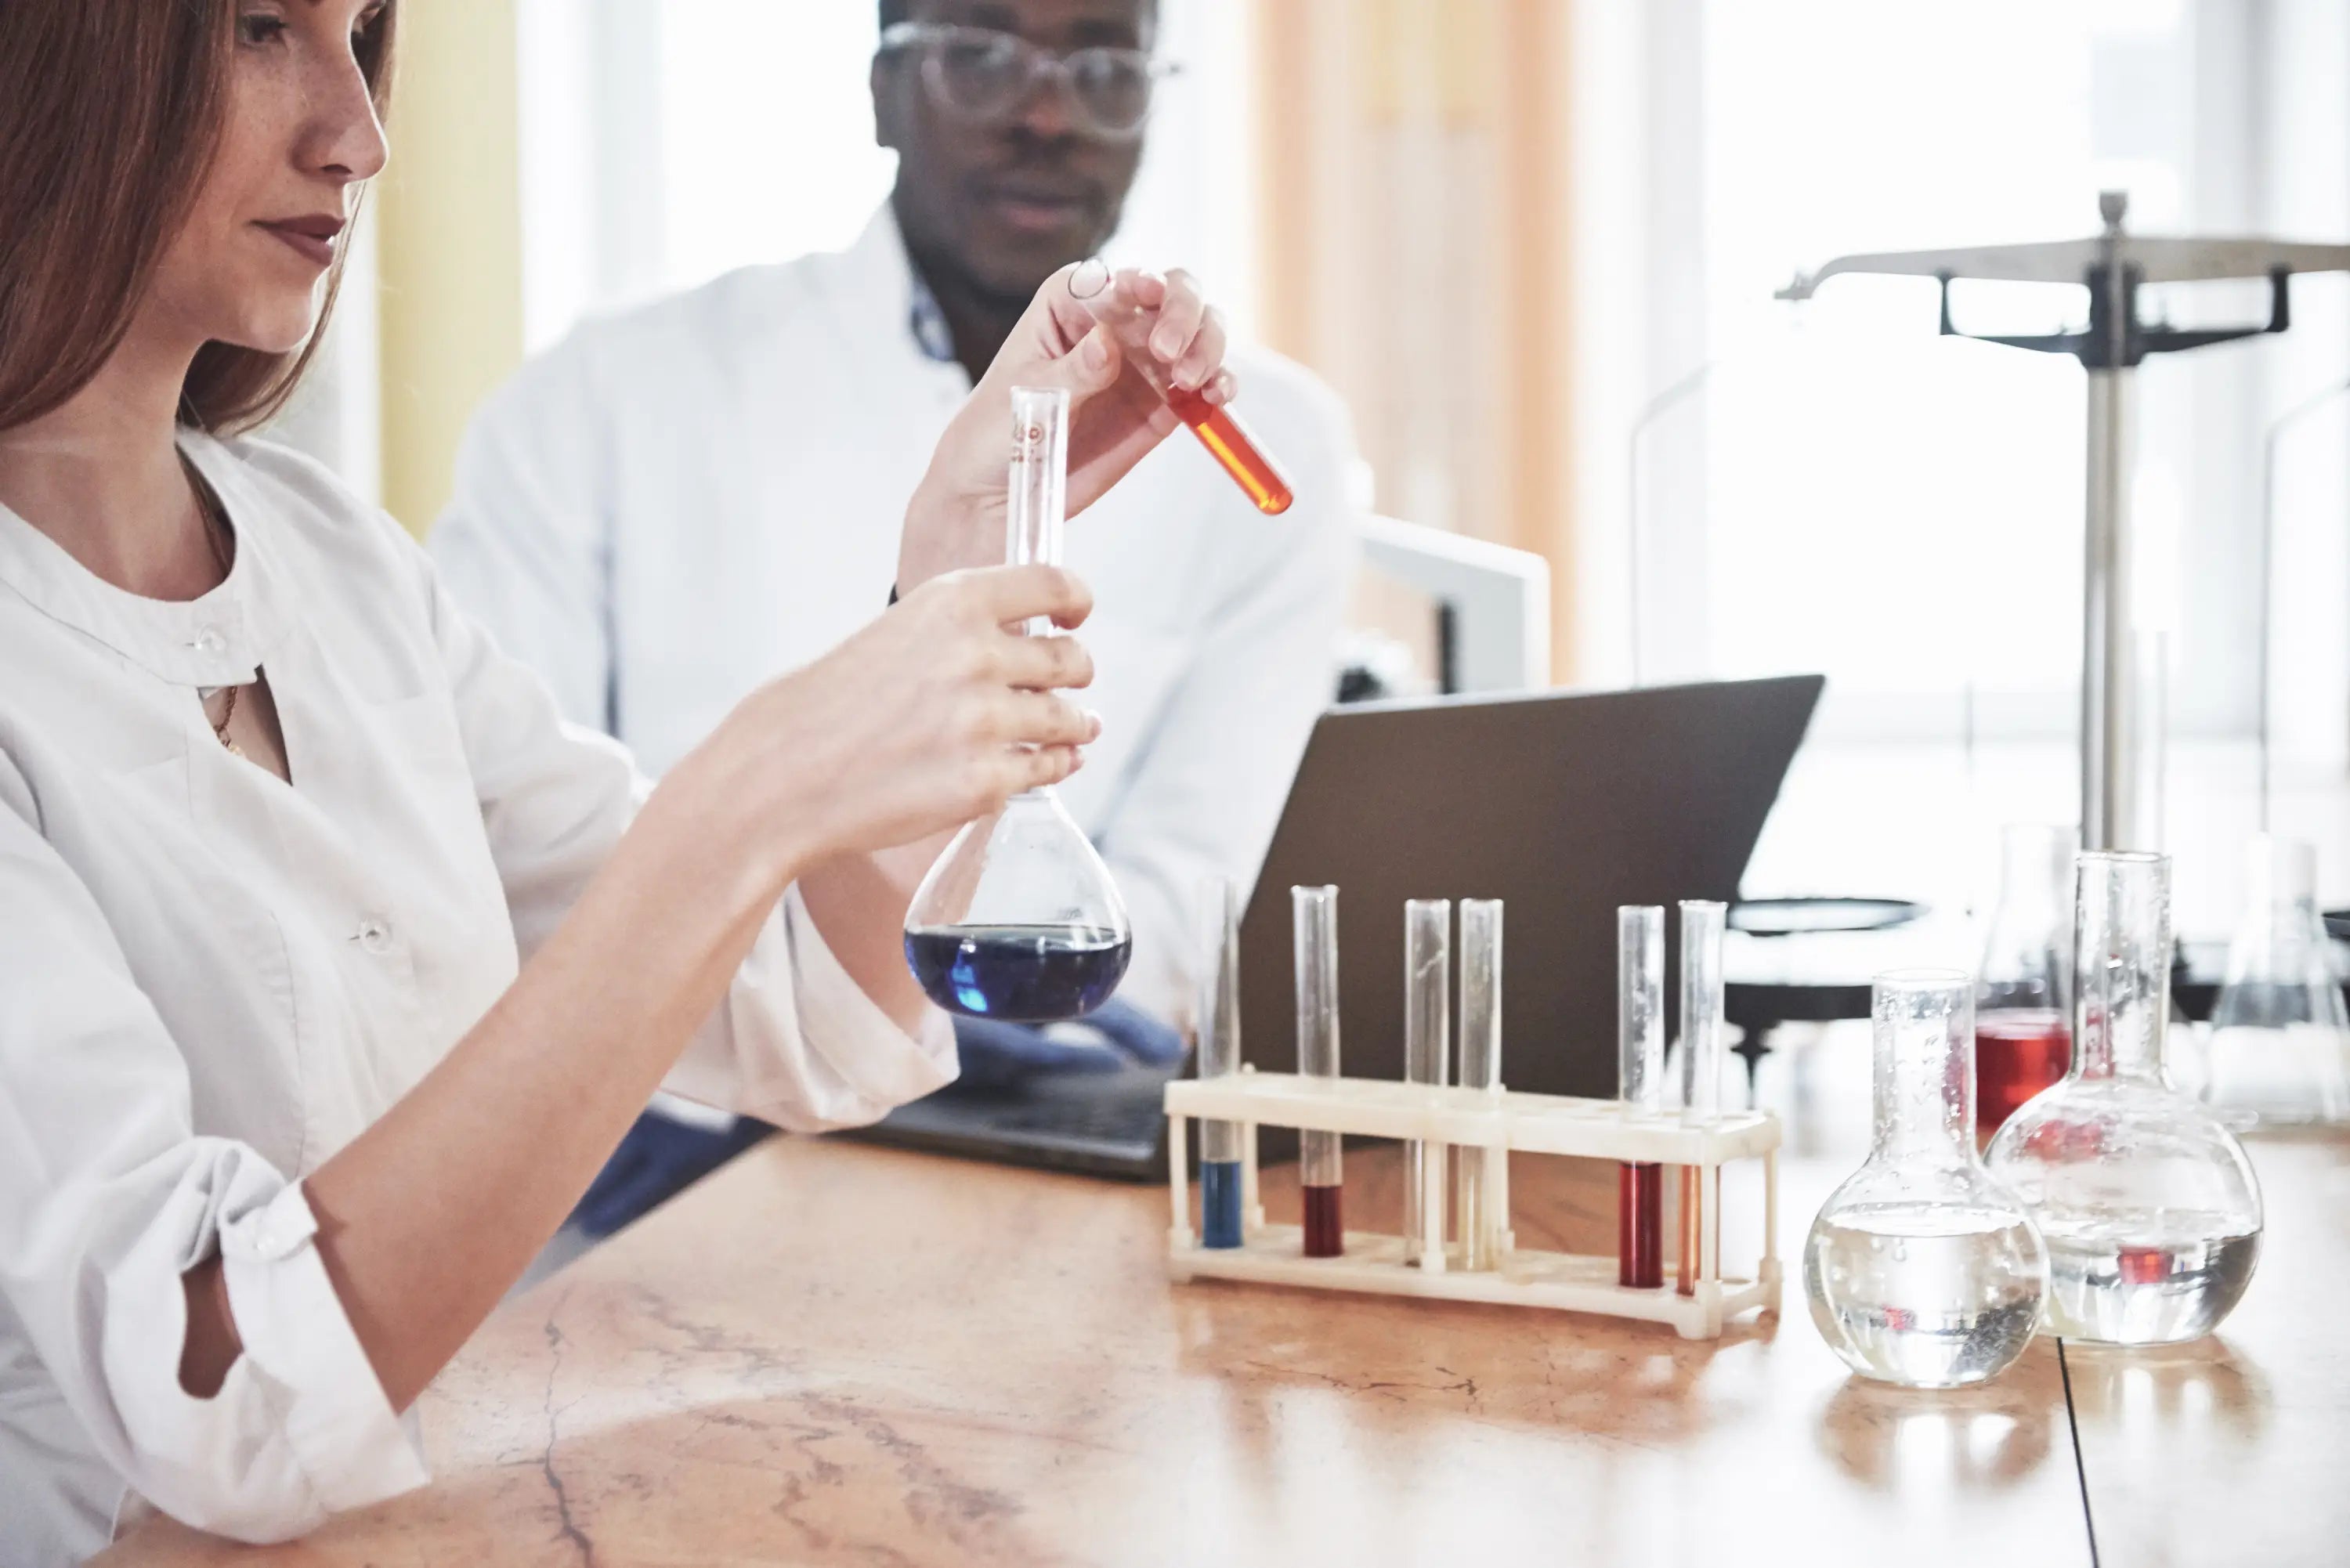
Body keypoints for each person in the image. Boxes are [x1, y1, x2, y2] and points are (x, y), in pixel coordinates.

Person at [0, 2, 1244, 1561]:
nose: (360, 135)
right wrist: (746, 795)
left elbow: (787, 1006)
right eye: (261, 30)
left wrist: (949, 568)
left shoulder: (339, 566)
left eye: (363, 31)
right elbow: (222, 1391)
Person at [431, 0, 1361, 1129]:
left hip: (1041, 1116)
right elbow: (506, 878)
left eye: (1105, 61)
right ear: (880, 90)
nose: (1046, 113)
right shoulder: (598, 400)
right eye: (979, 54)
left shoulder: (1270, 445)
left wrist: (883, 1028)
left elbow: (1172, 928)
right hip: (661, 1123)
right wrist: (803, 1018)